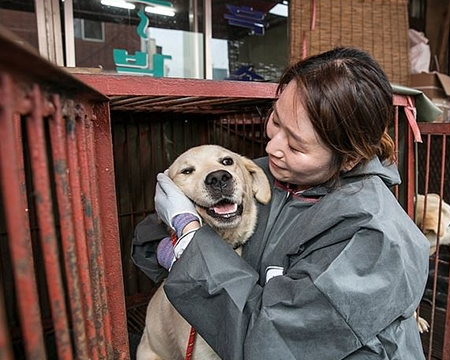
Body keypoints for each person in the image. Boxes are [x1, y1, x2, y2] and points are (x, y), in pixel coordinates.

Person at [131, 46, 430, 359]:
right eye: (275, 120)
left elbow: (270, 342)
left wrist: (190, 240)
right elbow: (149, 249)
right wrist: (168, 242)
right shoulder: (264, 174)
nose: (272, 146)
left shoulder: (374, 238)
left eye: (296, 145)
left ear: (348, 159)